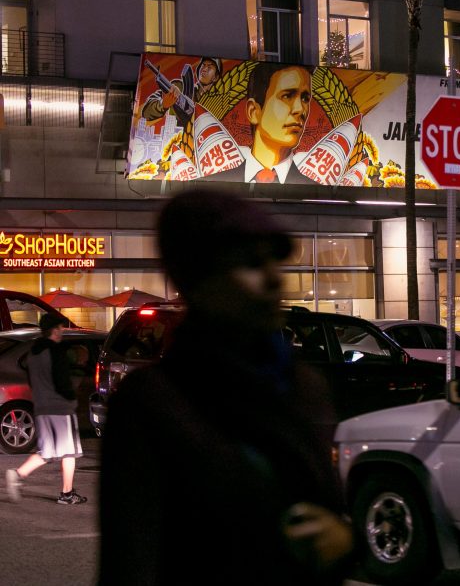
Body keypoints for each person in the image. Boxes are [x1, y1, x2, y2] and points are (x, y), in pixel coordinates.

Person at [99, 189, 353, 584]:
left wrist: (342, 541)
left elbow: (328, 509)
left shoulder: (302, 384)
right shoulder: (152, 402)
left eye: (276, 260)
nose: (273, 279)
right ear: (199, 281)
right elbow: (130, 561)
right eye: (251, 263)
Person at [5, 313, 86, 505]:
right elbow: (61, 381)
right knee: (69, 452)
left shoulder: (33, 353)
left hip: (42, 407)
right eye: (60, 328)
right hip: (60, 407)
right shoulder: (55, 352)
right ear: (55, 330)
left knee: (47, 450)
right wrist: (71, 399)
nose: (62, 332)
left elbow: (33, 380)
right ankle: (66, 494)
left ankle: (18, 474)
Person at [141, 56, 222, 126]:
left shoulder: (216, 103)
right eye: (203, 65)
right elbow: (146, 112)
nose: (204, 69)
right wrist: (162, 105)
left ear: (215, 77)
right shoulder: (178, 86)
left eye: (209, 67)